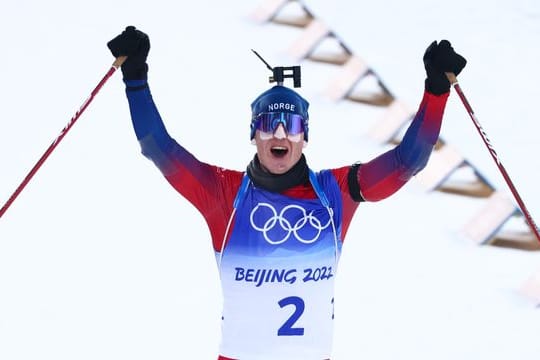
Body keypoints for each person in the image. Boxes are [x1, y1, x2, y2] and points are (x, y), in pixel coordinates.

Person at [107, 26, 466, 360]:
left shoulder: (335, 194)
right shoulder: (222, 194)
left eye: (291, 126)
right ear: (254, 134)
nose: (280, 135)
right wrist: (135, 78)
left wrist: (436, 92)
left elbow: (408, 162)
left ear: (305, 136)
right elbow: (157, 147)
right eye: (268, 125)